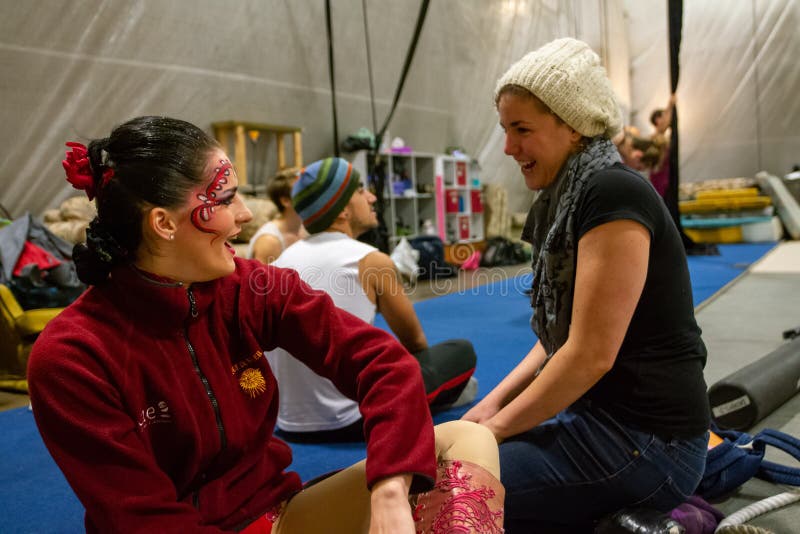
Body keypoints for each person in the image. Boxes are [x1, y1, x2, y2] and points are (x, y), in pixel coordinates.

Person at [28, 116, 504, 533]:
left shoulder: (251, 286)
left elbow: (387, 365)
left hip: (276, 514)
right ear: (163, 223)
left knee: (466, 438)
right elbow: (142, 520)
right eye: (227, 198)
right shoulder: (72, 357)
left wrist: (389, 491)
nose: (244, 215)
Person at [462, 38, 710, 531]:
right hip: (601, 420)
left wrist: (496, 432)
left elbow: (591, 353)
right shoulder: (565, 195)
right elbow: (557, 340)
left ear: (572, 125)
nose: (509, 147)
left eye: (522, 129)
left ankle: (673, 513)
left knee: (455, 497)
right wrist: (487, 410)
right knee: (456, 465)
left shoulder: (610, 191)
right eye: (505, 130)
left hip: (651, 444)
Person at [267, 157, 478, 443]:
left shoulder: (278, 263)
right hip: (356, 419)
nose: (372, 197)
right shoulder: (369, 259)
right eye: (360, 190)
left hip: (290, 423)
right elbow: (415, 344)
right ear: (341, 210)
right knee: (461, 351)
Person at [246, 168, 307, 264]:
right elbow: (262, 278)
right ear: (285, 201)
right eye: (302, 192)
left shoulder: (304, 227)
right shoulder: (269, 240)